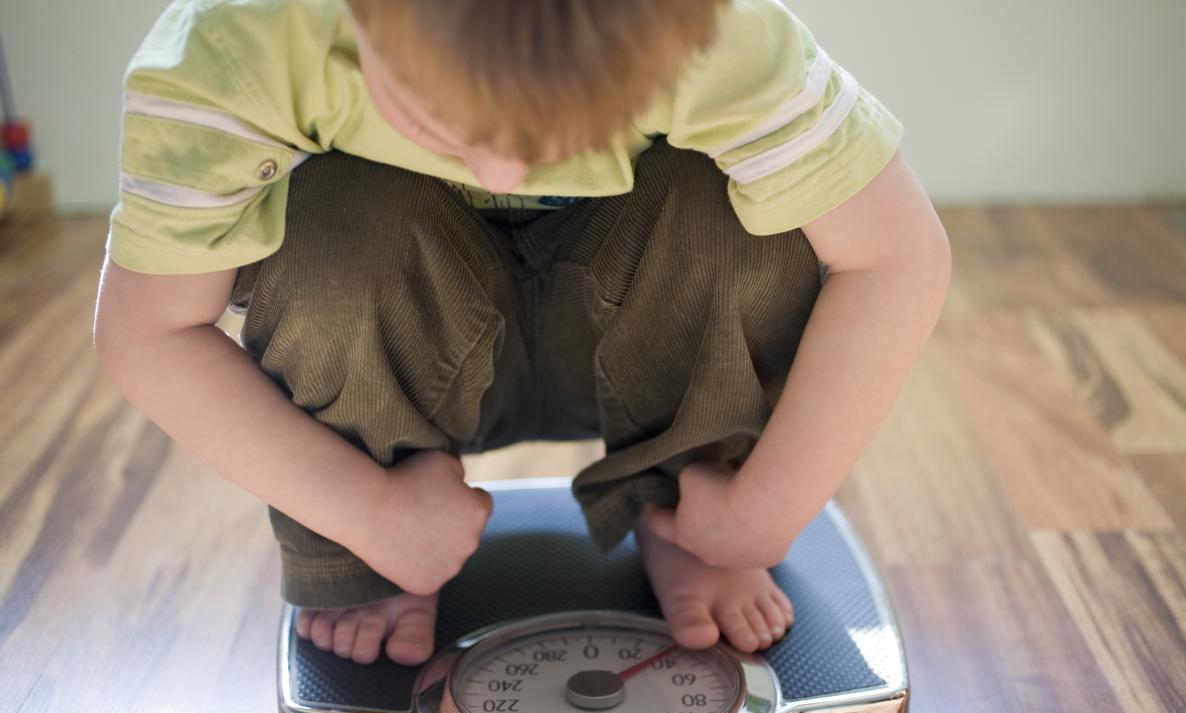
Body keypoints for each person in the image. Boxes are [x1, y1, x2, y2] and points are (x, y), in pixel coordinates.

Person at [93, 0, 952, 666]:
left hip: (634, 328)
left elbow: (897, 256)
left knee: (746, 222)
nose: (502, 166)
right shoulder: (240, 47)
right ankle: (374, 560)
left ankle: (682, 507)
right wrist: (366, 511)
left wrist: (767, 510)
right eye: (439, 118)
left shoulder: (720, 32)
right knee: (327, 226)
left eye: (566, 131)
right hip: (402, 344)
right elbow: (149, 333)